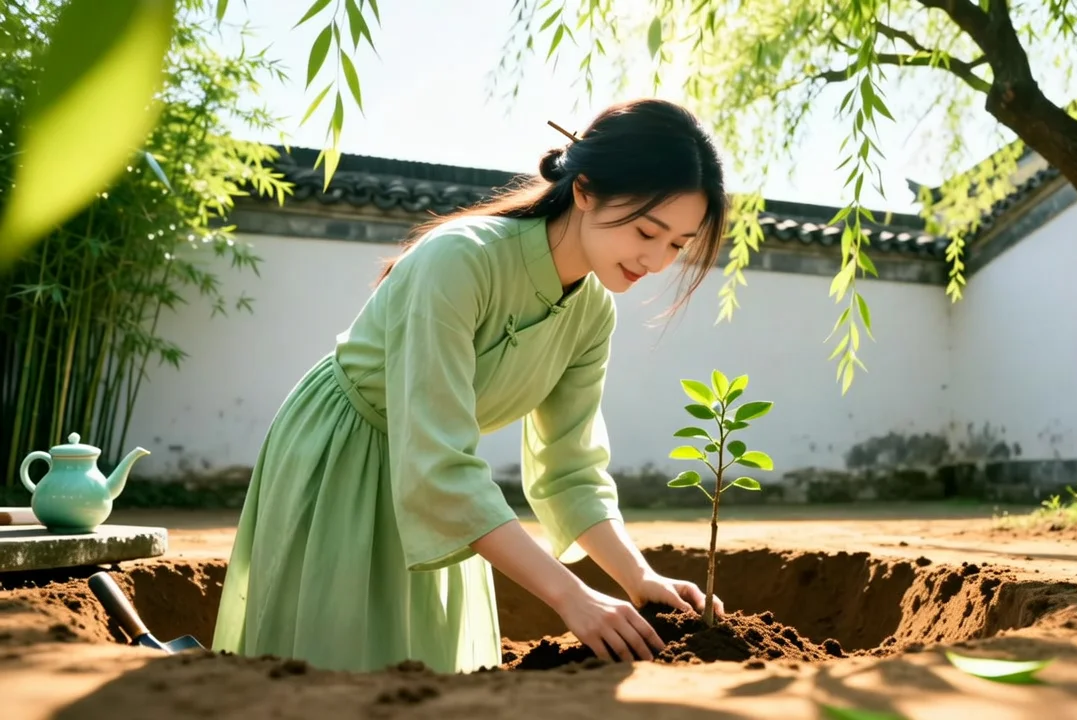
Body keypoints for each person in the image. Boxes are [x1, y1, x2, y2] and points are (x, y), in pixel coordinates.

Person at [210, 98, 731, 674]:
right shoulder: (459, 259)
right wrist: (570, 596)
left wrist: (639, 575)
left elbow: (570, 468)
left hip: (450, 487)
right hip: (344, 452)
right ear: (584, 190)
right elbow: (436, 460)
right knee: (329, 667)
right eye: (647, 231)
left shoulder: (592, 312)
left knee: (428, 673)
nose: (657, 261)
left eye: (677, 246)